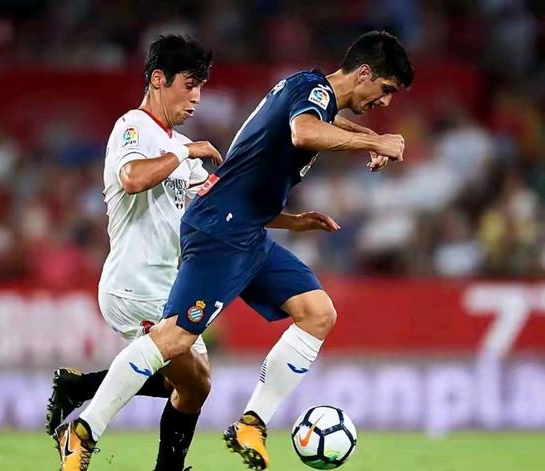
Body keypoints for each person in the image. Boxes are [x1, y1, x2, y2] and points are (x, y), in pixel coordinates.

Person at [59, 30, 413, 471]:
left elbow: (321, 122)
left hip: (245, 230)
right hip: (221, 230)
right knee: (174, 340)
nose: (385, 101)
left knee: (318, 313)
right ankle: (84, 430)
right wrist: (376, 142)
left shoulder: (310, 92)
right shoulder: (311, 95)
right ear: (363, 73)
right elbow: (304, 132)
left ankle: (251, 424)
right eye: (386, 89)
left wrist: (366, 140)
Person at [51, 35, 222, 471]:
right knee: (188, 377)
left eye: (201, 87)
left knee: (194, 386)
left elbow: (224, 202)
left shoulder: (177, 146)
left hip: (167, 287)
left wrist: (291, 218)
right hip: (135, 283)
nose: (197, 97)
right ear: (159, 79)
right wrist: (184, 150)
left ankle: (81, 389)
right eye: (190, 85)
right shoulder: (133, 127)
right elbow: (131, 178)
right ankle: (83, 429)